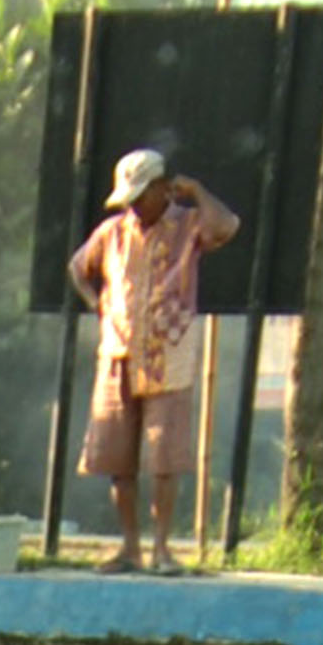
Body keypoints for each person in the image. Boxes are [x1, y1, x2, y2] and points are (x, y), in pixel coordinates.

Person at [63, 149, 239, 574]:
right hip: (118, 351)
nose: (135, 205)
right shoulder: (112, 232)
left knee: (165, 458)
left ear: (163, 189)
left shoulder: (188, 224)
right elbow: (78, 267)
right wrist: (98, 304)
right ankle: (130, 547)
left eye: (142, 195)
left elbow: (227, 227)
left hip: (169, 353)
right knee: (116, 457)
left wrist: (196, 192)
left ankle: (162, 549)